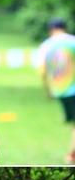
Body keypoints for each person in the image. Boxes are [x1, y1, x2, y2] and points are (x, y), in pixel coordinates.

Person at [37, 18, 75, 163]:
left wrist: (48, 90)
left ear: (50, 30)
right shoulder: (73, 41)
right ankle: (72, 154)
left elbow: (42, 71)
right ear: (65, 27)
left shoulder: (46, 46)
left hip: (61, 91)